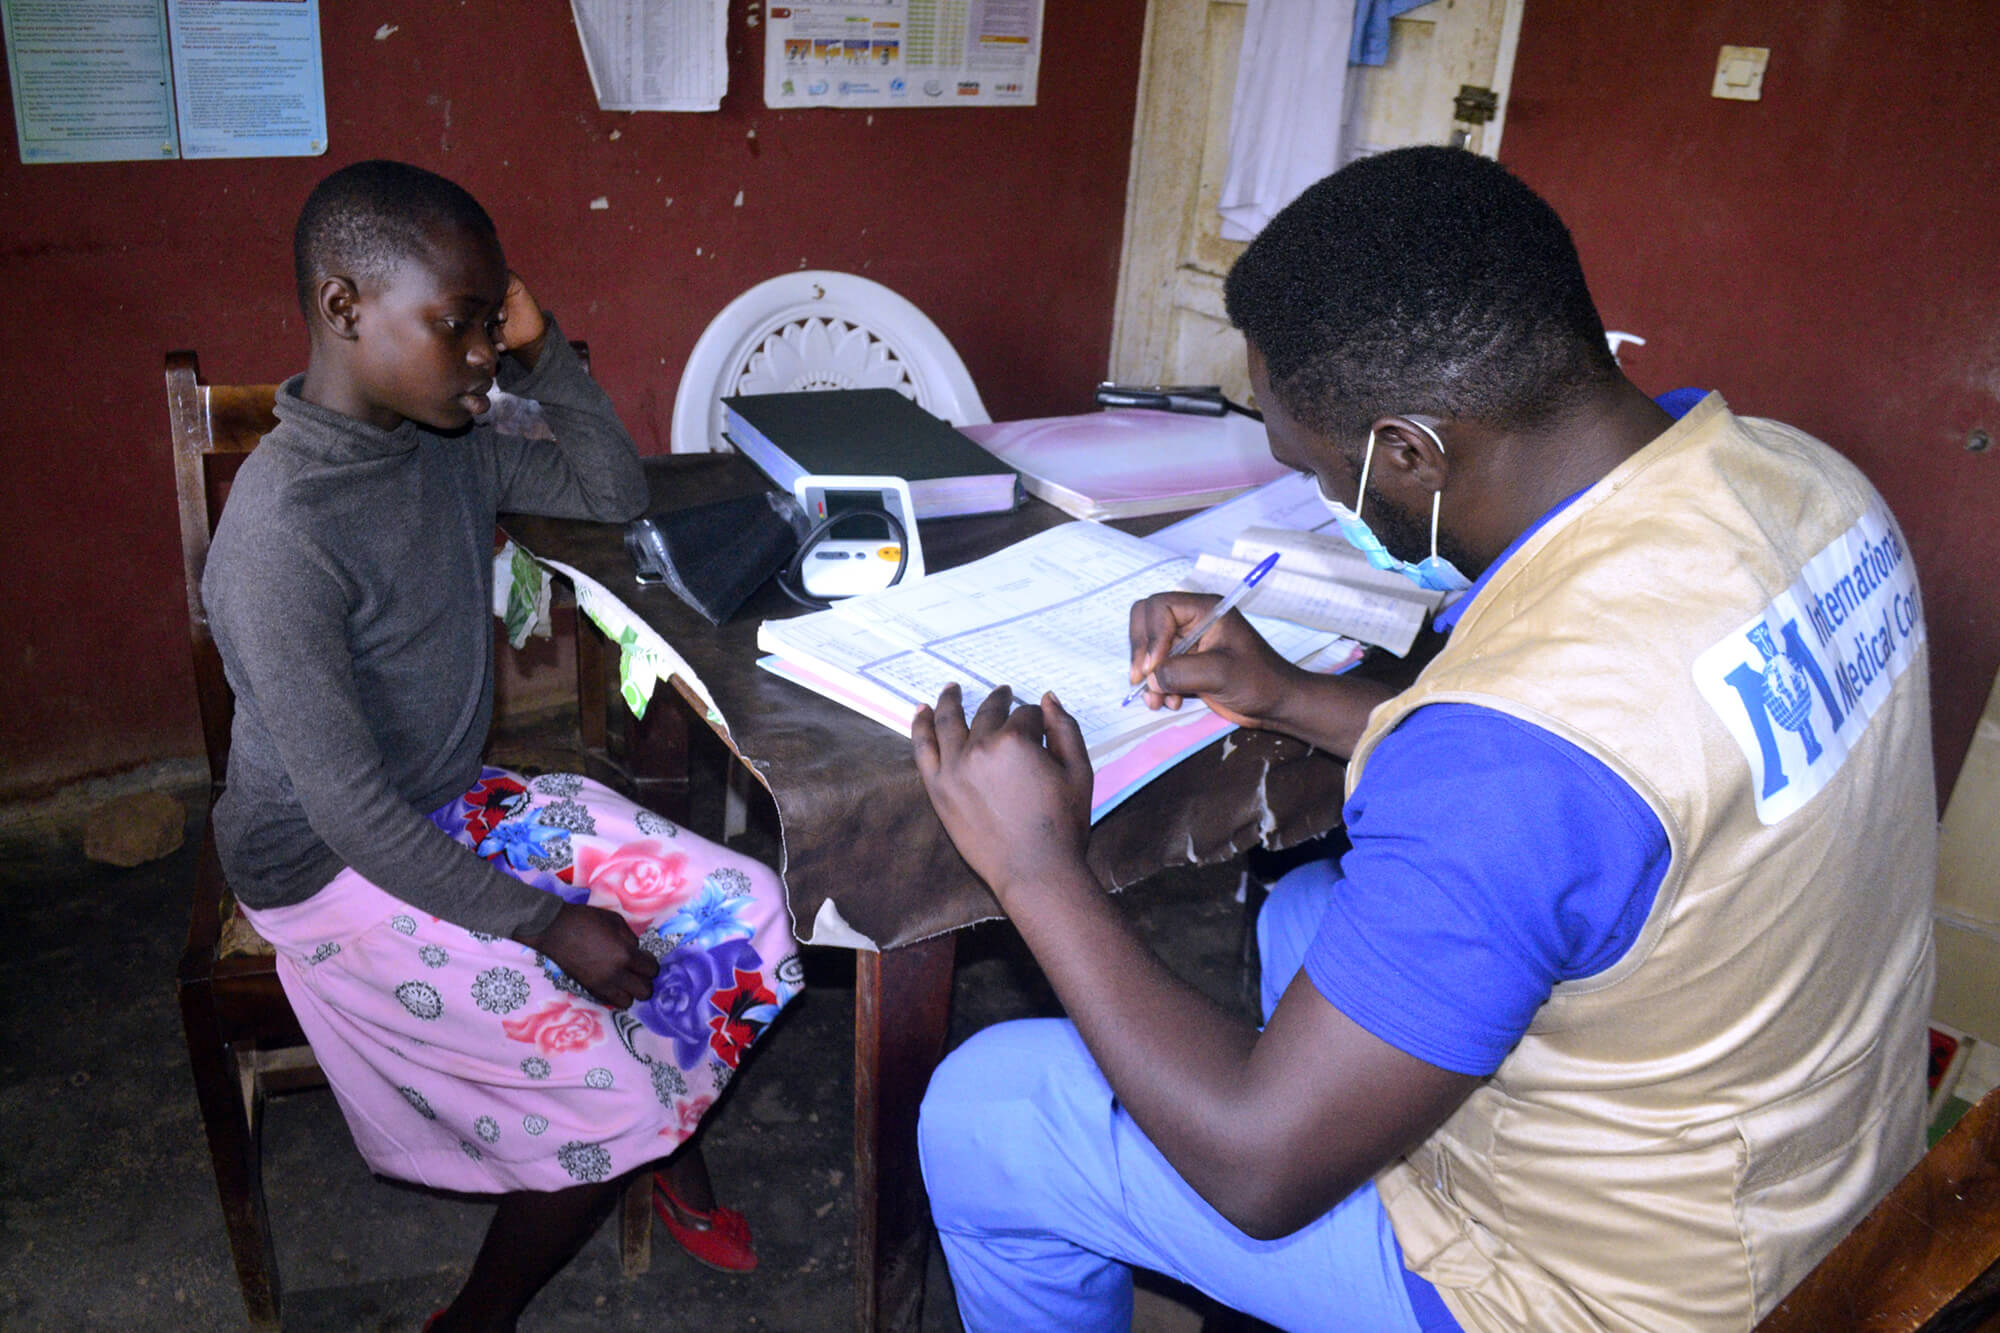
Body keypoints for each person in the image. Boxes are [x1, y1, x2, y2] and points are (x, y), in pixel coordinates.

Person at [911, 146, 1935, 1332]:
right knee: (1302, 916)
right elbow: (1624, 779)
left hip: (1617, 1297)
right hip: (1815, 1169)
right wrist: (1288, 693)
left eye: (1316, 469)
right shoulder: (1800, 482)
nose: (1327, 501)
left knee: (990, 1113)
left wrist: (1035, 865)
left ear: (1409, 451)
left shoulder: (1516, 752)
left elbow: (1257, 1168)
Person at [203, 160, 801, 1330]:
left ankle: (656, 1120)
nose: (482, 356)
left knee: (744, 908)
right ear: (344, 308)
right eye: (459, 325)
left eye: (490, 324)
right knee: (599, 1086)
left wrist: (545, 346)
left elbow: (608, 483)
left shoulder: (444, 434)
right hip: (326, 867)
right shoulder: (280, 538)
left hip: (448, 800)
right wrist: (544, 921)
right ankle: (484, 1308)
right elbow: (351, 816)